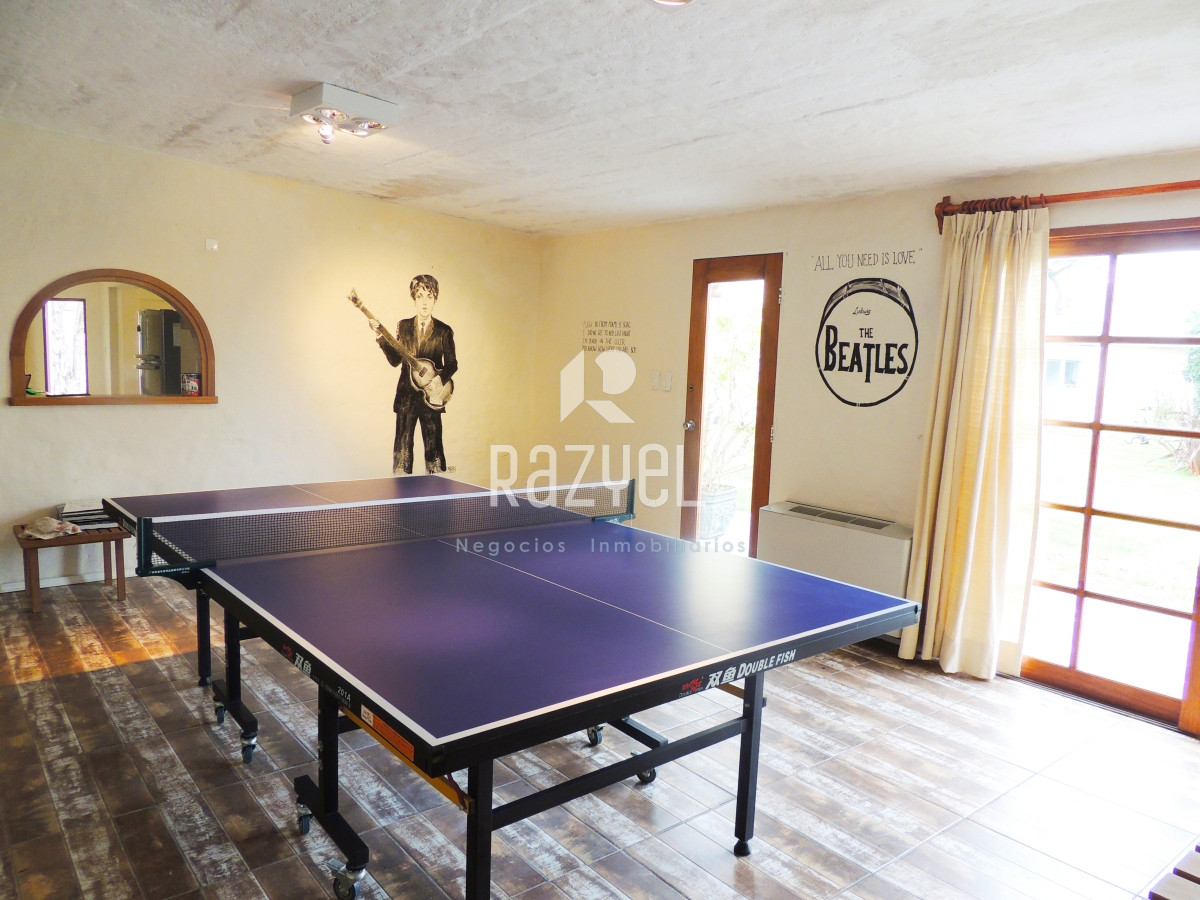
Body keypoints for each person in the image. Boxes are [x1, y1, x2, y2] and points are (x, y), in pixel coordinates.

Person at [374, 274, 458, 474]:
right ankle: (400, 489)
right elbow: (395, 360)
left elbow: (452, 364)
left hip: (432, 397)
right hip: (406, 398)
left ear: (435, 299)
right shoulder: (403, 326)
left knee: (434, 452)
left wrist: (438, 380)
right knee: (402, 453)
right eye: (420, 296)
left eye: (429, 296)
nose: (424, 302)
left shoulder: (444, 331)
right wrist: (380, 338)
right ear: (413, 298)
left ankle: (438, 487)